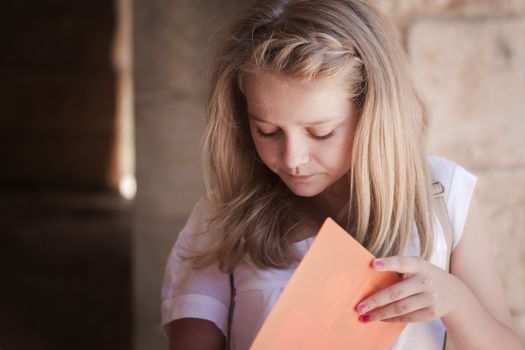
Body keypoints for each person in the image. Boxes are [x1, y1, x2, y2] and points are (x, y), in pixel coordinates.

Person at [160, 0, 522, 349]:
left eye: (321, 133)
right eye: (267, 131)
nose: (293, 159)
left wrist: (457, 302)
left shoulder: (444, 194)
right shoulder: (221, 220)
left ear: (373, 114)